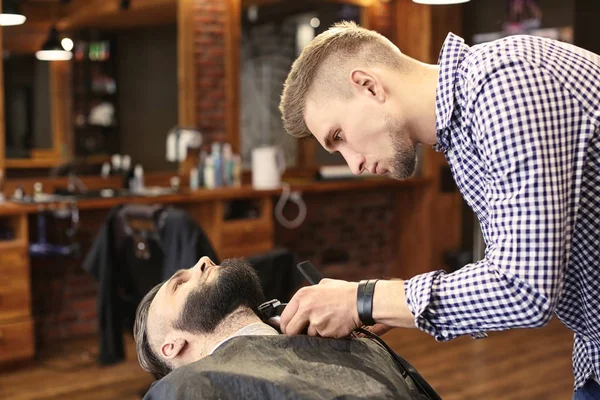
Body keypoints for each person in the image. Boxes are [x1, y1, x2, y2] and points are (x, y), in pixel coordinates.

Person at [278, 21, 600, 398]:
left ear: (369, 85)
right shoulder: (460, 135)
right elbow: (508, 272)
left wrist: (364, 300)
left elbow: (524, 288)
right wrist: (381, 305)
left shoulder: (503, 81)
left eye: (339, 136)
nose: (354, 165)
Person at [133, 256, 438, 399]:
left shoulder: (338, 332)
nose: (203, 260)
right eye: (180, 284)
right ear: (171, 346)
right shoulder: (182, 391)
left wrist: (370, 301)